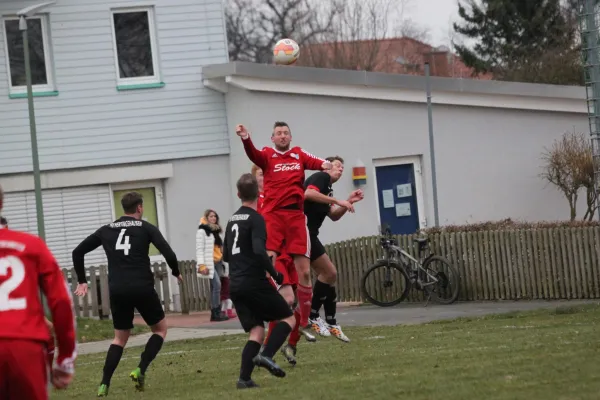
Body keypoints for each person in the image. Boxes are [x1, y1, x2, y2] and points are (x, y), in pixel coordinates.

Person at [71, 191, 183, 397]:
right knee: (159, 330)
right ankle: (140, 368)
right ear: (139, 208)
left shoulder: (106, 230)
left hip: (118, 289)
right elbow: (169, 253)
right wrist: (176, 272)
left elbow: (77, 252)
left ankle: (104, 383)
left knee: (119, 339)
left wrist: (82, 280)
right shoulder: (147, 228)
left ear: (123, 208)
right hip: (142, 287)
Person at [236, 122, 332, 334]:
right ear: (272, 138)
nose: (282, 136)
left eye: (286, 133)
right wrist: (245, 138)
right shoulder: (268, 155)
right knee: (269, 262)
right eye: (278, 133)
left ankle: (306, 319)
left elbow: (315, 161)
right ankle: (268, 305)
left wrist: (326, 164)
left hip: (295, 216)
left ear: (290, 137)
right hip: (273, 216)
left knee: (305, 272)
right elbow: (253, 154)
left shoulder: (298, 154)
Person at [0, 185, 77, 399]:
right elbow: (61, 301)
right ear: (2, 203)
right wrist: (66, 357)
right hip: (25, 346)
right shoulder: (32, 245)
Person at [224, 173, 295, 389]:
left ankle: (244, 379)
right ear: (258, 193)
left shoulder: (231, 220)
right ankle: (266, 354)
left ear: (238, 194)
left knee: (257, 330)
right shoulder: (256, 218)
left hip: (235, 284)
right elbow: (258, 250)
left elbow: (226, 255)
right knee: (288, 318)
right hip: (253, 282)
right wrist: (274, 273)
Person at [251, 164, 316, 366]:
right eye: (261, 174)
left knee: (298, 299)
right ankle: (268, 348)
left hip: (291, 253)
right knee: (284, 301)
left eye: (266, 174)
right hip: (275, 256)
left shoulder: (281, 196)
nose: (265, 177)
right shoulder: (256, 203)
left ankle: (292, 343)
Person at [304, 156, 364, 342]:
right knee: (329, 273)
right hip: (302, 232)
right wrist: (339, 201)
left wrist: (348, 201)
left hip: (310, 234)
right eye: (337, 166)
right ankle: (312, 315)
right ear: (327, 167)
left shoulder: (328, 189)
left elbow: (334, 216)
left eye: (342, 167)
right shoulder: (321, 177)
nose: (341, 169)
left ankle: (331, 321)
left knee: (329, 276)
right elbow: (307, 194)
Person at [196, 209, 229, 322]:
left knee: (215, 288)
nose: (213, 218)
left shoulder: (217, 231)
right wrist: (202, 266)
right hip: (209, 263)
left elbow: (219, 247)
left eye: (215, 216)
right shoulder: (202, 231)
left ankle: (215, 313)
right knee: (217, 285)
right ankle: (216, 312)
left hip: (218, 262)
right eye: (211, 216)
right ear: (206, 218)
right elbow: (199, 249)